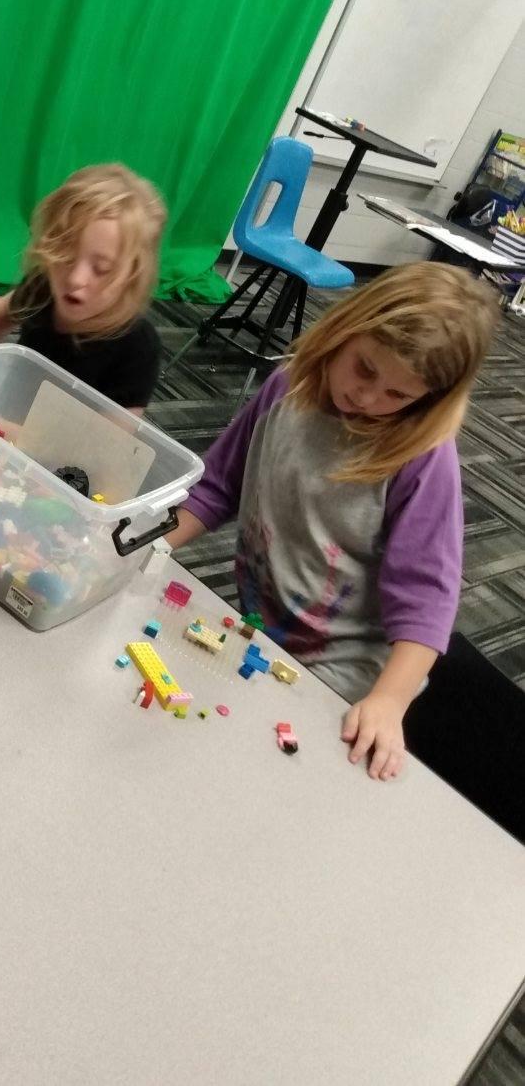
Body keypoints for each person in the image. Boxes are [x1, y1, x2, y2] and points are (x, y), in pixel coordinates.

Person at [166, 262, 498, 781]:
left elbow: (427, 599)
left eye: (398, 395)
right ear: (345, 329)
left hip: (346, 675)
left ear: (428, 400)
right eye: (364, 369)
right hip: (261, 629)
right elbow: (218, 487)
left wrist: (389, 701)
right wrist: (150, 546)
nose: (367, 398)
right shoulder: (287, 387)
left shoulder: (423, 458)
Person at [0, 163, 165, 413]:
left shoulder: (139, 347)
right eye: (66, 256)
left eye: (101, 269)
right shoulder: (44, 287)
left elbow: (117, 435)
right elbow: (2, 312)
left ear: (132, 277)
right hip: (10, 410)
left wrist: (15, 432)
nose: (76, 279)